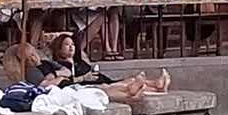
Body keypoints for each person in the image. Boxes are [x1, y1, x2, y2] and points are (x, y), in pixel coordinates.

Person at [36, 36, 171, 102]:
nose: (71, 47)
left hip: (97, 81)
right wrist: (83, 78)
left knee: (125, 81)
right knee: (109, 86)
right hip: (84, 87)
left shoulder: (80, 62)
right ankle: (149, 87)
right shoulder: (52, 65)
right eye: (66, 45)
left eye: (72, 44)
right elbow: (54, 83)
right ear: (58, 48)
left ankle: (156, 85)